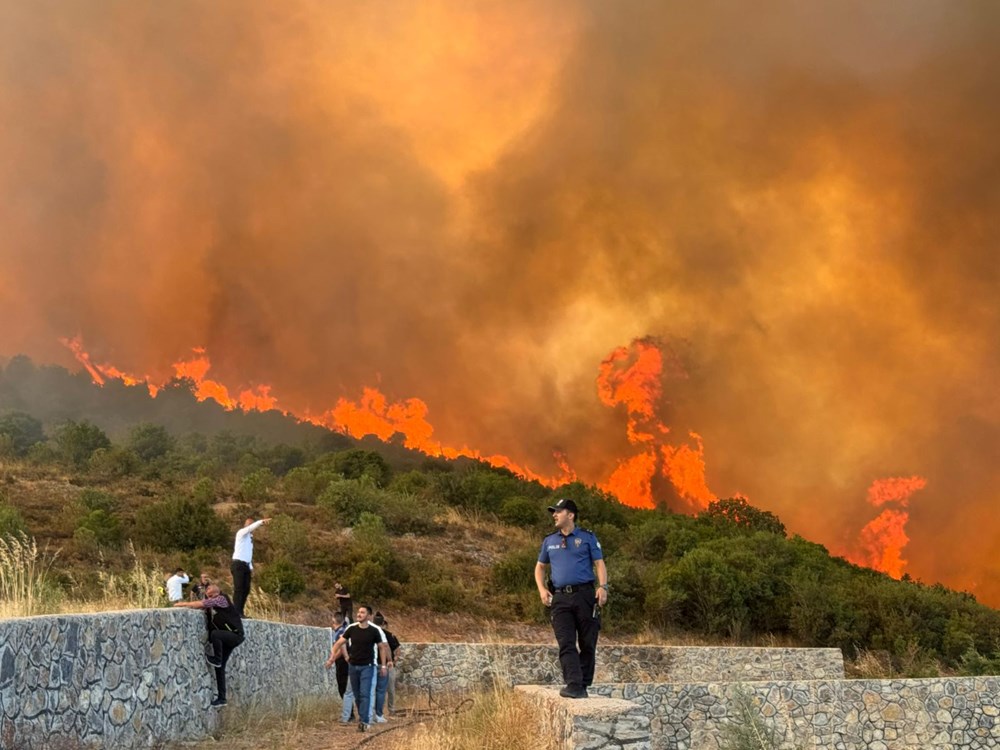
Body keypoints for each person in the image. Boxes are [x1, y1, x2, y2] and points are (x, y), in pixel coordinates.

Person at [534, 498, 608, 699]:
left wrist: (603, 587)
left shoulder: (587, 538)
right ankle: (574, 684)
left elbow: (599, 564)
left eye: (558, 511)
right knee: (565, 642)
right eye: (553, 512)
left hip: (584, 595)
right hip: (560, 598)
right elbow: (540, 567)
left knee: (587, 642)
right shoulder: (549, 541)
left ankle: (583, 683)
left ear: (571, 515)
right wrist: (542, 589)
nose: (554, 515)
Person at [174, 583, 245, 707]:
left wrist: (182, 604)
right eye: (207, 590)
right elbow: (202, 604)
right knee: (220, 668)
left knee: (216, 635)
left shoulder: (221, 599)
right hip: (229, 637)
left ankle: (216, 659)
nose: (208, 589)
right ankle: (222, 698)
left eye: (210, 587)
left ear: (217, 589)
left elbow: (201, 604)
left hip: (234, 635)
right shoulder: (212, 602)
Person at [329, 604, 389, 733]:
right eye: (358, 612)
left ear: (369, 616)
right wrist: (332, 658)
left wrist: (383, 665)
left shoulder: (374, 631)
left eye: (362, 612)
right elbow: (339, 643)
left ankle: (364, 721)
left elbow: (382, 647)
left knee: (365, 693)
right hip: (353, 666)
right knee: (356, 695)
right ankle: (363, 717)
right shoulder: (351, 628)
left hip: (368, 667)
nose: (359, 614)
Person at [230, 516, 271, 618]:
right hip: (238, 564)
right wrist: (260, 522)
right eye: (249, 524)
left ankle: (241, 612)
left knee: (246, 589)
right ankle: (236, 612)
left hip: (246, 565)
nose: (251, 527)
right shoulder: (241, 533)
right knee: (239, 588)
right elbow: (249, 528)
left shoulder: (250, 539)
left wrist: (251, 567)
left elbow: (249, 553)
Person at [372, 612, 400, 719]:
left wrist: (393, 660)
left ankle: (385, 710)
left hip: (385, 665)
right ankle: (383, 711)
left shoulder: (388, 635)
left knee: (383, 689)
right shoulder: (385, 634)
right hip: (383, 665)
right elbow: (397, 650)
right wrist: (393, 660)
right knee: (387, 689)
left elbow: (396, 650)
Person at [324, 612, 352, 720]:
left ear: (334, 621)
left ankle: (349, 714)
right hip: (347, 662)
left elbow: (341, 647)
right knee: (346, 688)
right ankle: (350, 713)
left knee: (343, 688)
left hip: (342, 663)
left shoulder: (340, 632)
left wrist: (332, 659)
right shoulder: (345, 630)